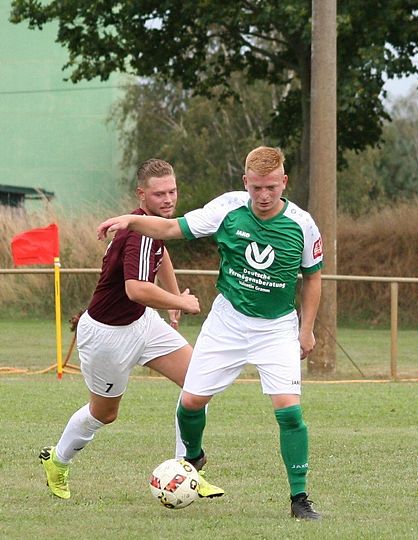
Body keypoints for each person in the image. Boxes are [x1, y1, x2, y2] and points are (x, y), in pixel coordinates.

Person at [96, 146, 324, 520]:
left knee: (290, 413)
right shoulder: (227, 208)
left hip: (276, 327)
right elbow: (172, 228)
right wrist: (130, 221)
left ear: (284, 182)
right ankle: (194, 457)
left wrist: (307, 329)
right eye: (256, 187)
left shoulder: (303, 224)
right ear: (245, 182)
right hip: (227, 322)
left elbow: (313, 278)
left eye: (271, 187)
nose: (263, 196)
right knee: (190, 403)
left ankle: (299, 499)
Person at [40, 159, 223, 501]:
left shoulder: (152, 225)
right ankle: (58, 460)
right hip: (107, 336)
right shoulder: (137, 234)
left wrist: (172, 297)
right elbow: (136, 289)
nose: (168, 199)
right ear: (142, 194)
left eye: (172, 191)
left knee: (199, 384)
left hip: (142, 323)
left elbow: (162, 254)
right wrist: (181, 302)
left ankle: (187, 469)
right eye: (159, 194)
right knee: (104, 414)